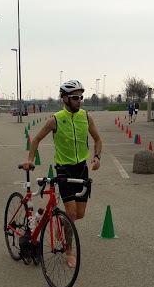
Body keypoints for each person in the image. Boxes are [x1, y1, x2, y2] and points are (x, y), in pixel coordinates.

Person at [22, 80, 102, 268]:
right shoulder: (55, 120)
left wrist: (97, 157)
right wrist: (31, 159)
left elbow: (98, 139)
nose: (79, 100)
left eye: (81, 97)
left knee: (79, 214)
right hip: (64, 169)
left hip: (81, 168)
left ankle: (60, 220)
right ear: (65, 98)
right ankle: (69, 251)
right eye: (75, 97)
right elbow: (36, 140)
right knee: (72, 213)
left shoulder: (86, 117)